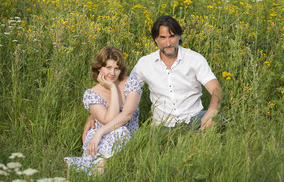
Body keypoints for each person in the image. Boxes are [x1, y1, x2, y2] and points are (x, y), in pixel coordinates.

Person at [84, 15, 222, 135]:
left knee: (220, 119)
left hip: (194, 118)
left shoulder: (195, 59)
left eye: (172, 36)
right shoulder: (145, 63)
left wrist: (212, 112)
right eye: (162, 37)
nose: (168, 43)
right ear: (155, 39)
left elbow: (216, 90)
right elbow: (124, 89)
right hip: (162, 126)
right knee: (154, 148)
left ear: (179, 36)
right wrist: (94, 115)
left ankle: (199, 139)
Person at [64, 46, 142, 175]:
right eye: (108, 67)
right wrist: (112, 89)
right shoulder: (91, 94)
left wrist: (99, 132)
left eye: (116, 68)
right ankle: (96, 165)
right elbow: (109, 120)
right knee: (101, 160)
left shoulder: (131, 84)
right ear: (99, 68)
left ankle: (86, 166)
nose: (112, 73)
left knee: (121, 131)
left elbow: (126, 116)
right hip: (100, 138)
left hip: (123, 135)